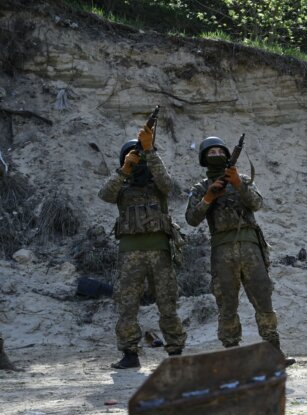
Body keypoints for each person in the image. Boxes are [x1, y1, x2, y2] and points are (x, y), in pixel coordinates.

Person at [186, 137, 290, 361]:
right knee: (227, 303)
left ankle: (274, 350)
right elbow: (192, 219)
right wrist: (208, 198)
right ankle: (232, 354)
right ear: (204, 159)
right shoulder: (201, 188)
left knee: (263, 298)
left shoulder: (240, 179)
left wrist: (238, 185)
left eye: (218, 151)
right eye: (210, 153)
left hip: (251, 249)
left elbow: (256, 204)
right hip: (222, 252)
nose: (215, 155)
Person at [99, 123, 185, 369]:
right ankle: (129, 353)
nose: (141, 164)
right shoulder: (122, 187)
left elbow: (168, 184)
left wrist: (150, 152)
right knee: (127, 305)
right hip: (130, 254)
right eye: (137, 158)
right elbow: (104, 194)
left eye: (142, 160)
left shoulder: (157, 187)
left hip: (160, 252)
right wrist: (125, 168)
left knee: (167, 303)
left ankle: (175, 351)